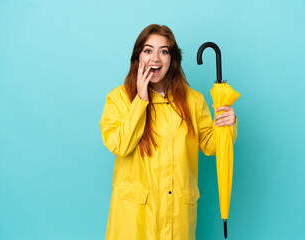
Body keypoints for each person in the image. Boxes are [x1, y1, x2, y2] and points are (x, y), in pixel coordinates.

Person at [99, 24, 237, 240]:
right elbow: (119, 144)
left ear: (172, 59)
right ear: (138, 57)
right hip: (135, 218)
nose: (156, 58)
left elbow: (212, 146)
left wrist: (227, 124)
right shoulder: (119, 99)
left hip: (177, 216)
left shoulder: (193, 100)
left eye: (163, 51)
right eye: (148, 50)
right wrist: (140, 101)